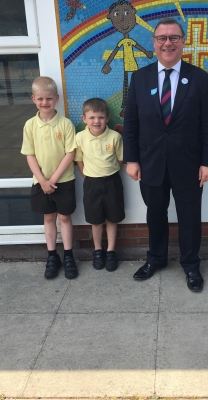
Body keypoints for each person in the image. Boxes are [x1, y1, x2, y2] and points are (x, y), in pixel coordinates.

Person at [123, 18, 208, 292]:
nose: (168, 43)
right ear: (154, 43)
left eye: (174, 37)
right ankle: (156, 259)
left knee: (189, 216)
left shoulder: (200, 78)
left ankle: (191, 265)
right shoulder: (139, 78)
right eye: (162, 38)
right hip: (151, 163)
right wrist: (131, 159)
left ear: (183, 42)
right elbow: (131, 123)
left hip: (189, 164)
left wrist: (207, 162)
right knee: (155, 214)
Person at [21, 76, 78, 279]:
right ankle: (52, 256)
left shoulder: (65, 124)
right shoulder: (30, 125)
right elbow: (30, 154)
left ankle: (69, 255)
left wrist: (52, 179)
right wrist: (43, 181)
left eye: (49, 98)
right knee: (49, 217)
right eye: (40, 99)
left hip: (63, 180)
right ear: (33, 99)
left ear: (57, 98)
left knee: (64, 217)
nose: (45, 102)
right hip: (41, 182)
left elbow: (70, 153)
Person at [75, 98, 125, 272]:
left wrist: (108, 174)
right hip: (91, 183)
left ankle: (111, 251)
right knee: (96, 220)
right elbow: (79, 160)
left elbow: (120, 160)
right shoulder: (80, 138)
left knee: (112, 218)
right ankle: (98, 250)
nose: (97, 121)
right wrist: (88, 176)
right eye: (92, 117)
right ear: (84, 118)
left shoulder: (115, 137)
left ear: (108, 118)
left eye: (101, 117)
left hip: (112, 182)